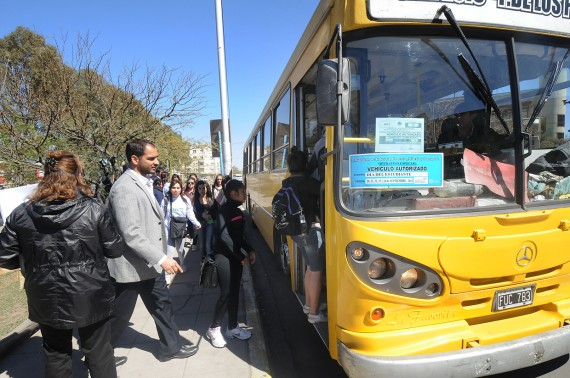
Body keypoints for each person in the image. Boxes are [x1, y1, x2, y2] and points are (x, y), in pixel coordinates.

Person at [0, 151, 124, 377]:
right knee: (99, 352)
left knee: (55, 353)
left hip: (46, 294)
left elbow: (5, 257)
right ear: (77, 174)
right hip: (90, 291)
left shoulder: (21, 213)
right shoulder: (94, 208)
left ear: (46, 176)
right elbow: (115, 249)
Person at [106, 139, 198, 362]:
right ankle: (99, 355)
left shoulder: (145, 181)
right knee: (119, 316)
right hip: (131, 267)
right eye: (151, 158)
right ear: (135, 159)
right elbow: (131, 232)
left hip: (149, 265)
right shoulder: (123, 188)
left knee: (161, 304)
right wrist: (162, 257)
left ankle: (170, 348)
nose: (156, 162)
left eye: (156, 157)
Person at [205, 179, 256, 348]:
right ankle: (213, 328)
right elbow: (224, 238)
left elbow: (239, 238)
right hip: (224, 257)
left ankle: (232, 327)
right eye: (243, 191)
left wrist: (249, 250)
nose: (245, 194)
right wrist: (240, 256)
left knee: (234, 292)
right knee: (226, 294)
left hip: (235, 258)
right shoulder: (223, 211)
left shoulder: (238, 211)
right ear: (234, 194)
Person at [284, 147, 326, 323]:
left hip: (295, 232)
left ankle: (309, 304)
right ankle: (314, 314)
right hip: (310, 231)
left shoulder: (286, 183)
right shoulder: (309, 183)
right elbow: (324, 189)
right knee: (316, 271)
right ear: (305, 164)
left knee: (310, 267)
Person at [163, 177, 201, 285]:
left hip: (180, 229)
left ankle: (182, 263)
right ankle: (167, 274)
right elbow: (162, 214)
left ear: (181, 188)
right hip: (168, 229)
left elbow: (190, 214)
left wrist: (196, 223)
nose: (175, 190)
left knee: (180, 250)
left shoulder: (185, 200)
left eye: (177, 188)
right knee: (169, 252)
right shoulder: (166, 200)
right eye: (173, 188)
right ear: (170, 189)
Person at [194, 180, 218, 262]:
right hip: (200, 224)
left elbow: (216, 212)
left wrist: (210, 215)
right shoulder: (195, 200)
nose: (201, 190)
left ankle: (210, 258)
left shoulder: (212, 199)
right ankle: (203, 257)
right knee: (202, 244)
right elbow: (193, 214)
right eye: (199, 188)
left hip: (210, 223)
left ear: (207, 188)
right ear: (197, 189)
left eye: (203, 188)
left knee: (208, 243)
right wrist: (201, 215)